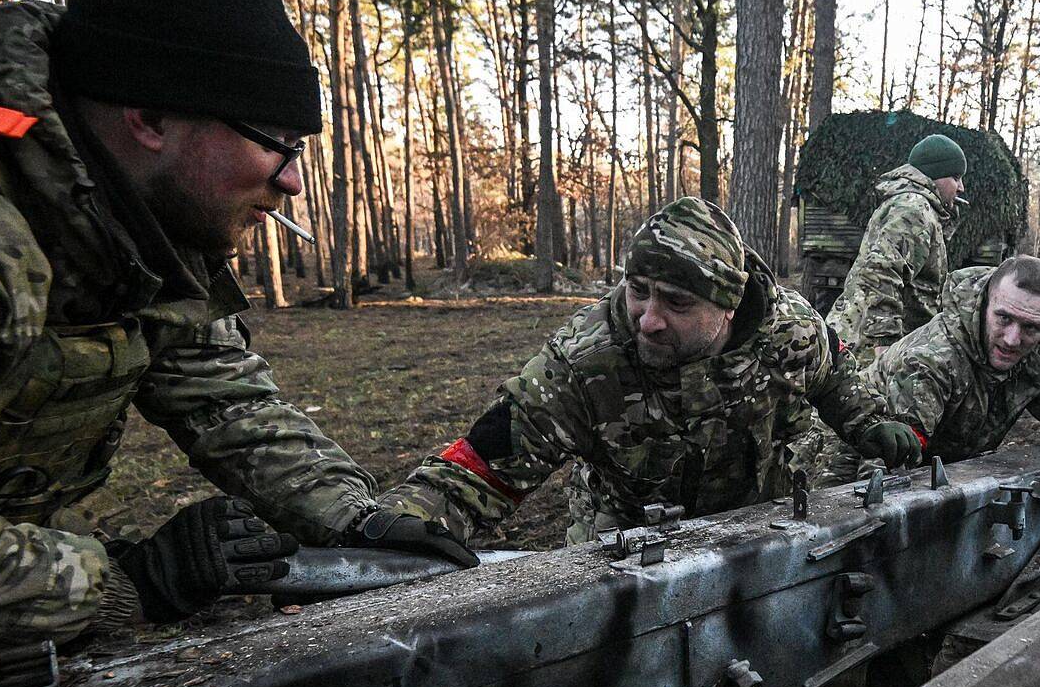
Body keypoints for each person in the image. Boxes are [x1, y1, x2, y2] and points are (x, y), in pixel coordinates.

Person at [0, 0, 469, 662]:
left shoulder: (136, 220)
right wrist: (134, 581)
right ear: (150, 117)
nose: (290, 179)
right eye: (274, 141)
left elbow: (224, 396)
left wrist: (353, 521)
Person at [381, 198, 922, 544]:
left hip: (755, 525)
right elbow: (485, 459)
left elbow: (834, 374)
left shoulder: (789, 331)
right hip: (623, 541)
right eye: (638, 292)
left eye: (678, 303)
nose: (650, 320)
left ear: (728, 308)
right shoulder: (585, 361)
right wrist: (408, 517)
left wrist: (867, 423)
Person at [819, 255, 1040, 482]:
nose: (1012, 339)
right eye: (1003, 318)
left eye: (1031, 327)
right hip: (844, 469)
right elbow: (892, 458)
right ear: (985, 304)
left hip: (946, 470)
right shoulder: (933, 360)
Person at [825, 133, 966, 366]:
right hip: (867, 349)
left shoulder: (918, 207)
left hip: (870, 340)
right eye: (956, 177)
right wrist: (886, 346)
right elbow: (881, 272)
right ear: (935, 175)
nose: (961, 187)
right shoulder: (914, 210)